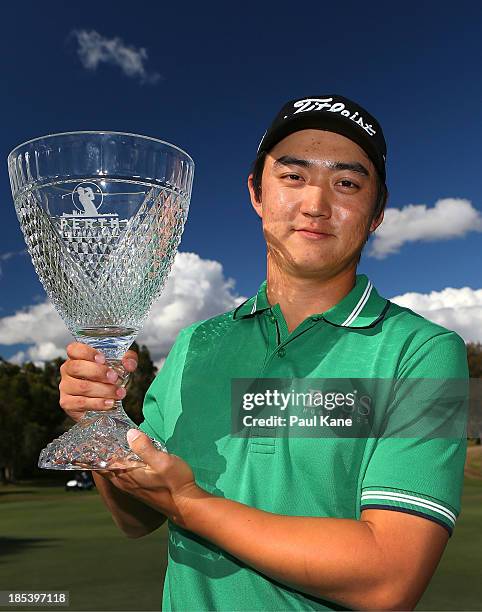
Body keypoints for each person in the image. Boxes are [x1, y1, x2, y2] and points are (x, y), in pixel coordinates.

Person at [58, 94, 469, 611]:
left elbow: (389, 578)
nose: (316, 204)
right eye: (292, 177)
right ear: (256, 192)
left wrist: (189, 503)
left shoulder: (424, 352)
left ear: (378, 211)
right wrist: (102, 424)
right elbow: (136, 519)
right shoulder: (195, 345)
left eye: (347, 183)